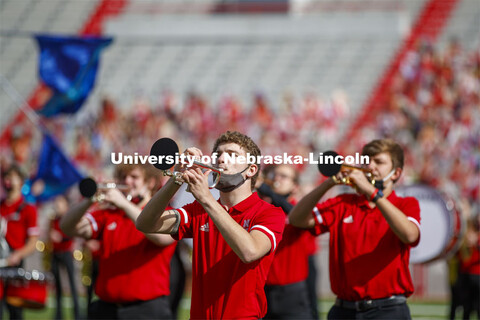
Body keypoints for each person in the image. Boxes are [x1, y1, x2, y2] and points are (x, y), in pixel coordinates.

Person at [136, 131, 285, 319]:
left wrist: (207, 199)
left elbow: (250, 252)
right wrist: (176, 178)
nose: (221, 159)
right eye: (217, 155)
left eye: (232, 154)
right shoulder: (199, 209)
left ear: (251, 170)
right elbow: (145, 224)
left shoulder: (270, 213)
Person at [290, 139, 421, 320]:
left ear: (395, 173)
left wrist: (372, 193)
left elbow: (410, 235)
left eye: (379, 162)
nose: (370, 166)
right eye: (366, 160)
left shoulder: (406, 204)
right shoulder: (343, 203)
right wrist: (328, 184)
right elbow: (296, 219)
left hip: (388, 310)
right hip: (344, 309)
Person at [60, 164, 176, 319]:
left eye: (134, 177)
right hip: (107, 309)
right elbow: (67, 227)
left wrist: (122, 203)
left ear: (150, 183)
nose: (127, 181)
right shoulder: (109, 214)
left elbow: (162, 238)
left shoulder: (165, 214)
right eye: (123, 177)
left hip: (147, 310)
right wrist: (90, 199)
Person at [257, 164, 317, 319]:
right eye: (274, 175)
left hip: (292, 293)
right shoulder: (263, 208)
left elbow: (296, 215)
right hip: (264, 290)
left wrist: (268, 190)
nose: (277, 179)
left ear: (295, 187)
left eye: (283, 176)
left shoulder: (298, 209)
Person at [0, 163, 39, 320]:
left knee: (15, 311)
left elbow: (32, 242)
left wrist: (17, 255)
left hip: (15, 265)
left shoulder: (28, 209)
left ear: (21, 182)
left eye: (12, 177)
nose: (8, 181)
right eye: (6, 177)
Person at [49, 195, 80, 320]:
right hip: (55, 253)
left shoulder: (68, 218)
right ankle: (58, 315)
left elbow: (71, 234)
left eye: (60, 203)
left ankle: (77, 314)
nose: (57, 206)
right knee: (57, 287)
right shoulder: (54, 219)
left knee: (72, 285)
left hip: (66, 253)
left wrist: (60, 238)